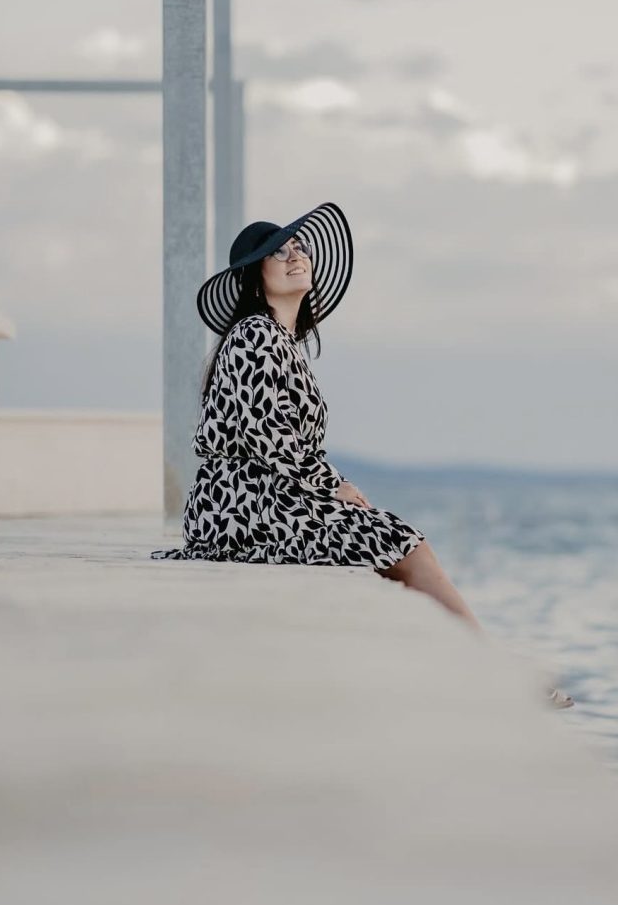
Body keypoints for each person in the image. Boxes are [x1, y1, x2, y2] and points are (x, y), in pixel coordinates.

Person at [150, 201, 485, 635]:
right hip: (241, 505)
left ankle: (468, 659)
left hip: (272, 495)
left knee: (399, 543)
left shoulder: (282, 342)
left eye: (299, 247)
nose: (296, 257)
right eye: (279, 252)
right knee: (404, 543)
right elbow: (267, 434)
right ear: (256, 276)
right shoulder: (254, 334)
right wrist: (332, 485)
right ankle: (493, 663)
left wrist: (329, 485)